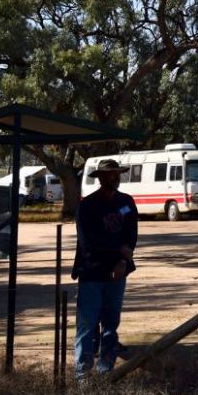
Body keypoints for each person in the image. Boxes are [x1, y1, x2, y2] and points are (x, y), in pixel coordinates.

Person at [72, 159, 138, 378]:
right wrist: (118, 251)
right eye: (110, 174)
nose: (115, 177)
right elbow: (88, 242)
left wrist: (122, 262)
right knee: (87, 324)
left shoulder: (126, 202)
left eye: (117, 173)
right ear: (100, 178)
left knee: (111, 324)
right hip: (92, 272)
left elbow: (131, 234)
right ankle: (82, 374)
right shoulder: (88, 205)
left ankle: (106, 372)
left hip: (118, 273)